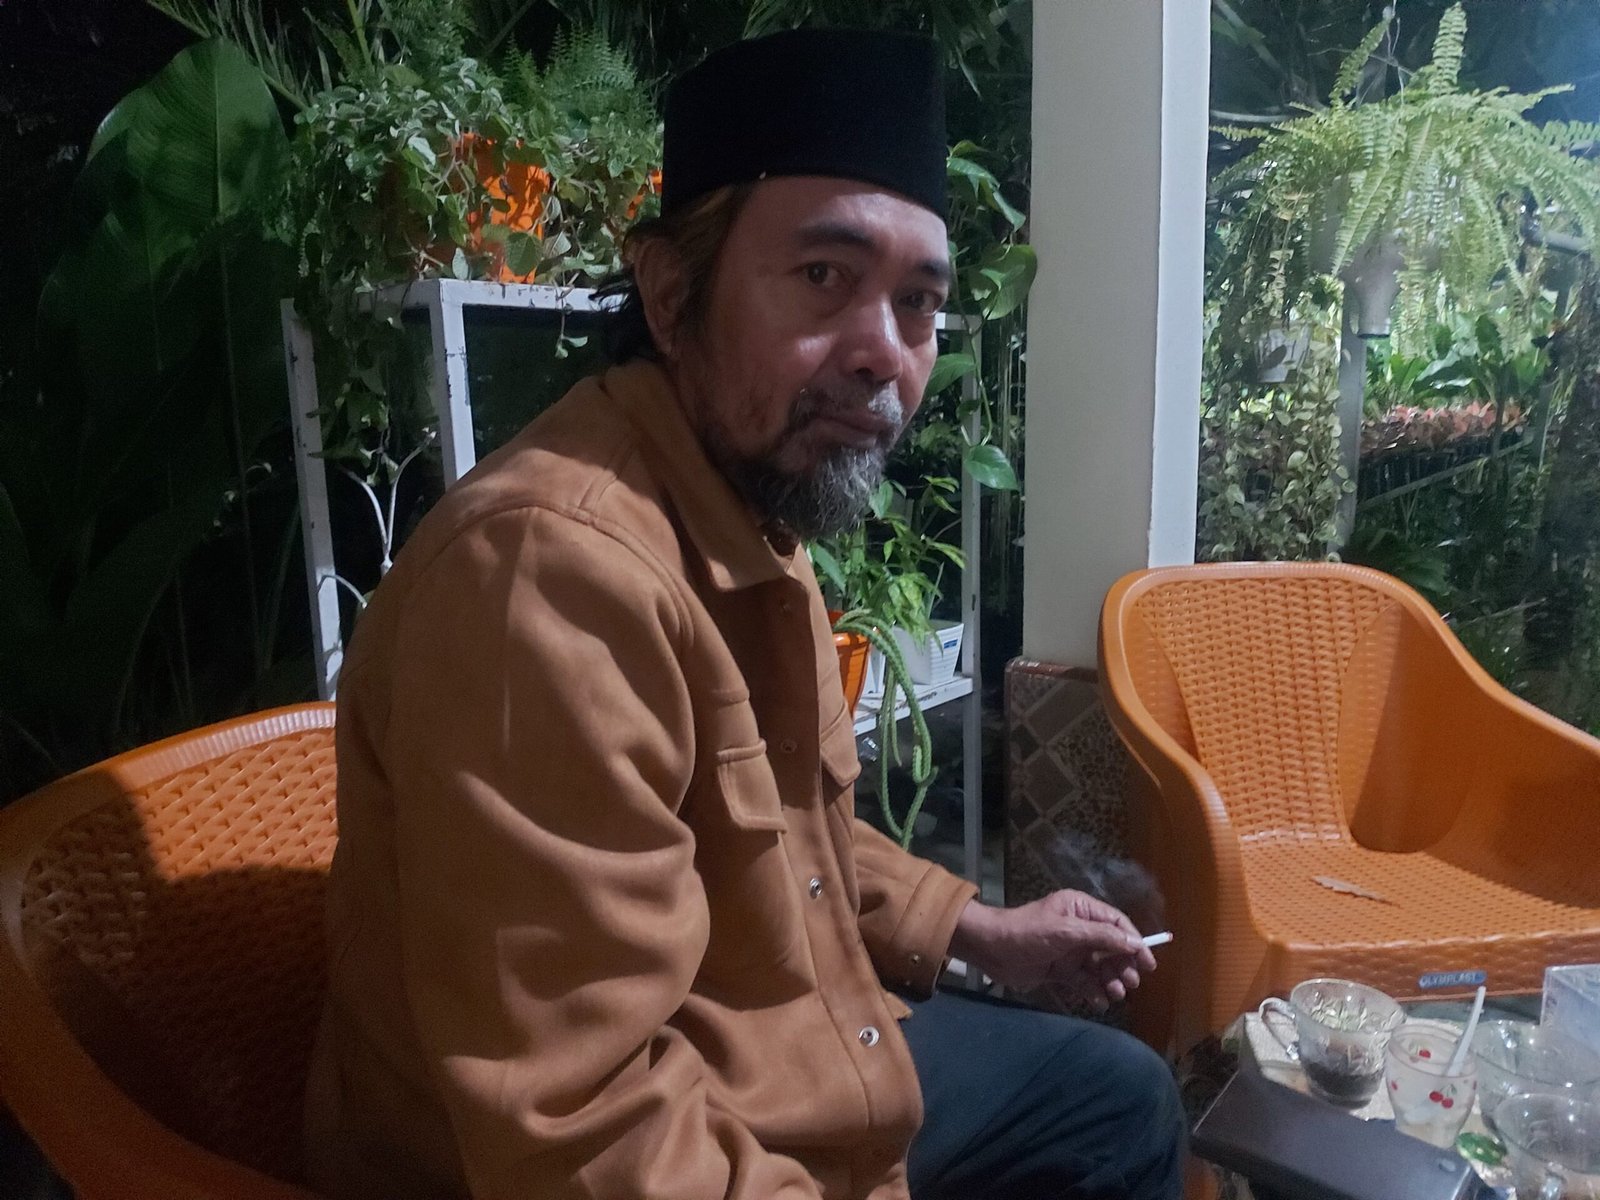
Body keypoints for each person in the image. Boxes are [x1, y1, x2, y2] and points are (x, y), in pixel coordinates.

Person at [304, 27, 1185, 1200]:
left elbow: (787, 838)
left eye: (917, 303)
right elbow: (583, 1134)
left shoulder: (746, 507)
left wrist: (977, 929)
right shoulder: (548, 581)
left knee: (1116, 1099)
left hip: (763, 1064)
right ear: (672, 293)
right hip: (615, 1143)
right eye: (823, 276)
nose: (884, 354)